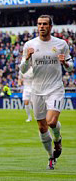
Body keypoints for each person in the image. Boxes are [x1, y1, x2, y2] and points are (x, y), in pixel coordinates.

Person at [20, 15, 73, 170]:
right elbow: (23, 70)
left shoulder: (61, 44)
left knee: (51, 122)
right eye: (39, 24)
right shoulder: (30, 45)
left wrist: (64, 62)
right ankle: (51, 157)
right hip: (37, 91)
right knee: (42, 127)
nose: (41, 26)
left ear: (50, 26)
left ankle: (58, 138)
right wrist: (27, 58)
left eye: (44, 24)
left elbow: (70, 66)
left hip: (55, 89)